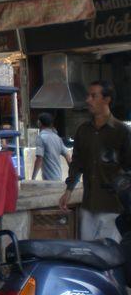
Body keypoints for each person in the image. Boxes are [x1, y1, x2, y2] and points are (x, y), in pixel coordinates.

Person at [59, 80, 131, 241]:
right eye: (88, 96)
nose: (88, 100)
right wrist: (69, 189)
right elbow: (77, 163)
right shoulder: (83, 131)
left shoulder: (121, 132)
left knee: (109, 257)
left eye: (93, 96)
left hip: (113, 208)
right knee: (87, 255)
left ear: (106, 100)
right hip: (88, 205)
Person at [33, 112, 71, 181]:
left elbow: (39, 158)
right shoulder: (57, 138)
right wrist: (73, 175)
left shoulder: (41, 137)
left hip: (48, 179)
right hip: (58, 178)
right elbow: (68, 156)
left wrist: (33, 178)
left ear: (39, 123)